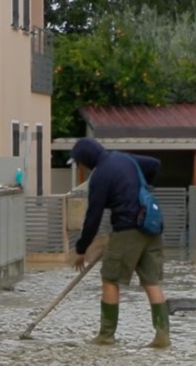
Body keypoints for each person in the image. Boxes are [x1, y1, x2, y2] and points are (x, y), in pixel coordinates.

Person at [69, 137, 170, 348]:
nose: (81, 166)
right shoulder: (124, 158)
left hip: (127, 230)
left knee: (110, 279)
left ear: (86, 158)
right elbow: (154, 164)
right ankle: (162, 336)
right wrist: (141, 190)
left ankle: (106, 335)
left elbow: (93, 217)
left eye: (79, 162)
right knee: (151, 281)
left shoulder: (100, 176)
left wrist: (81, 249)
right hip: (151, 226)